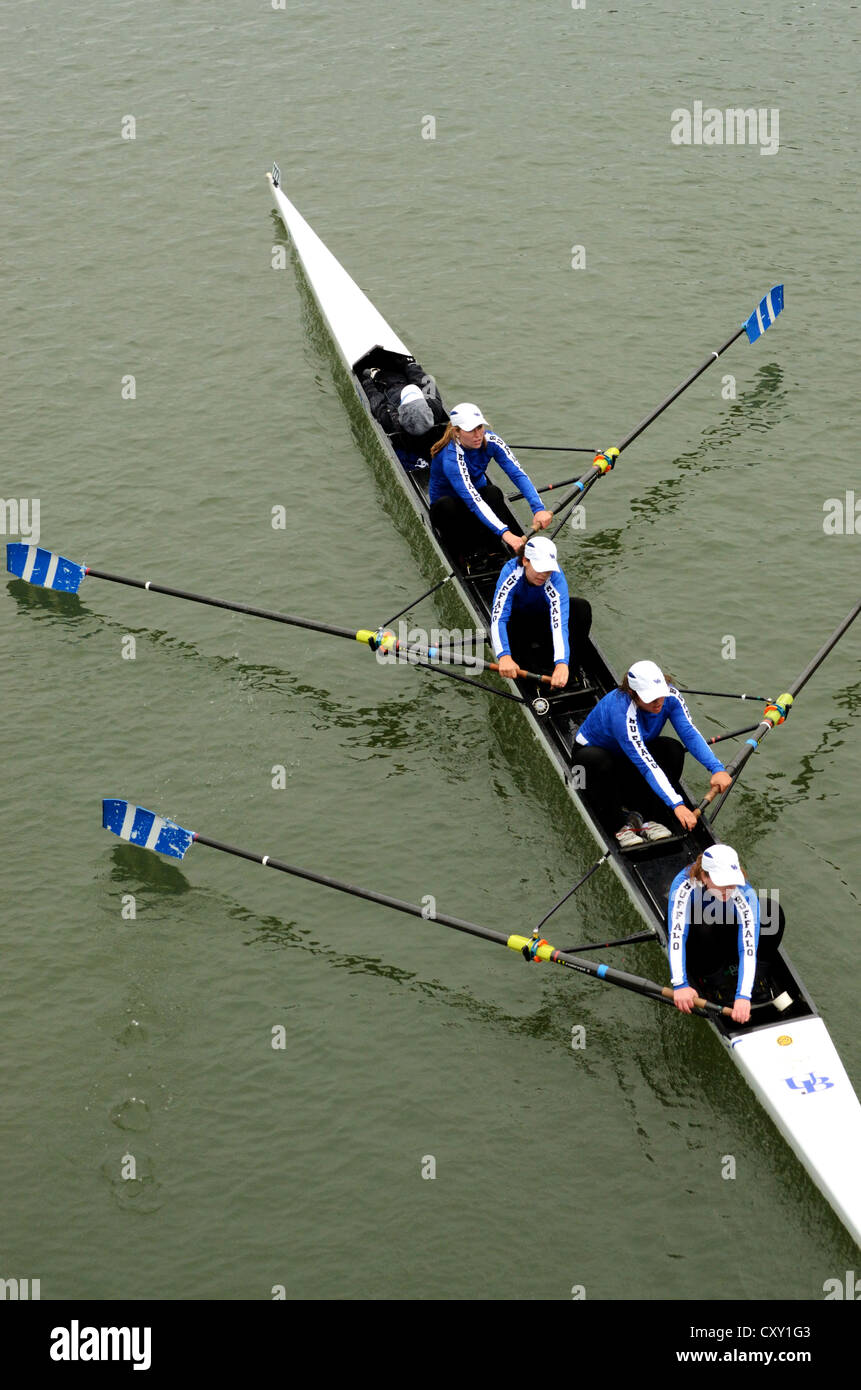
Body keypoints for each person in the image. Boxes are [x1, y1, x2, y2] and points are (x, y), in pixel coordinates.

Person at [571, 660, 732, 846]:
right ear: (632, 693)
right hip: (590, 763)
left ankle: (648, 817)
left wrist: (716, 768)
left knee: (674, 749)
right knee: (599, 760)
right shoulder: (621, 712)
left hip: (629, 758)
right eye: (651, 698)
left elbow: (689, 732)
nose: (659, 703)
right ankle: (618, 826)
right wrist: (677, 804)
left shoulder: (671, 696)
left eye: (661, 695)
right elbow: (647, 766)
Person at [667, 843, 784, 1024]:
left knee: (772, 911)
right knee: (704, 923)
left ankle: (757, 978)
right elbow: (677, 937)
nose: (729, 889)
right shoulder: (684, 886)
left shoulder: (744, 893)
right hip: (699, 940)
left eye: (732, 882)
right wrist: (680, 984)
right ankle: (714, 981)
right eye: (722, 884)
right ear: (704, 876)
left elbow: (748, 948)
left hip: (726, 935)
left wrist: (743, 996)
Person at [429, 402, 552, 560]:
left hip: (477, 501)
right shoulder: (451, 457)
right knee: (447, 505)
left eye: (480, 427)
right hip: (449, 510)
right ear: (457, 432)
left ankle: (498, 550)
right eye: (470, 430)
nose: (478, 435)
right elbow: (473, 500)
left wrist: (538, 508)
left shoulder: (492, 441)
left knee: (493, 492)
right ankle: (464, 558)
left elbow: (518, 474)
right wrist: (505, 533)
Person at [491, 536, 592, 690]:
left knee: (581, 607)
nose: (544, 574)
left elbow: (559, 625)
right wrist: (503, 656)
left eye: (548, 569)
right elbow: (498, 618)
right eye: (540, 568)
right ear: (525, 561)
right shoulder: (511, 573)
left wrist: (562, 663)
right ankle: (532, 674)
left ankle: (568, 673)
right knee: (512, 623)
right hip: (518, 625)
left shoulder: (556, 579)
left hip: (544, 622)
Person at [361, 359, 448, 466]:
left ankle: (376, 373)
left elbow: (375, 400)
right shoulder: (434, 407)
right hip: (398, 381)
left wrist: (367, 382)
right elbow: (424, 380)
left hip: (387, 383)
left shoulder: (390, 420)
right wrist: (411, 365)